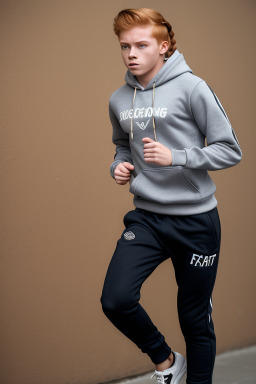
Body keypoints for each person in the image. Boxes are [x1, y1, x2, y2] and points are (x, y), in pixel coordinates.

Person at [100, 7, 242, 384]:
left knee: (194, 319)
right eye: (125, 46)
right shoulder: (119, 99)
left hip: (196, 221)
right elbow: (122, 146)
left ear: (163, 47)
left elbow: (230, 149)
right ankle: (166, 362)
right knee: (115, 299)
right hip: (147, 217)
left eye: (141, 45)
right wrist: (119, 166)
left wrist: (176, 157)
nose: (132, 53)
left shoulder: (192, 87)